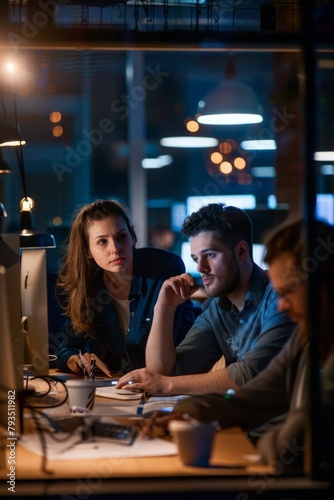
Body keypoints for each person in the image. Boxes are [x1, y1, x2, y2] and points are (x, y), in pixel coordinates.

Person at [141, 218, 334, 470]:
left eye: (287, 292)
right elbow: (249, 399)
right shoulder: (306, 333)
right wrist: (191, 413)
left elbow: (284, 446)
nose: (283, 304)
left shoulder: (292, 318)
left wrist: (169, 388)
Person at [116, 203, 295, 395]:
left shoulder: (282, 297)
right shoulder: (216, 308)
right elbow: (166, 372)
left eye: (209, 255)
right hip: (244, 414)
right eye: (195, 259)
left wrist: (165, 385)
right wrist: (164, 307)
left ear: (241, 251)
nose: (200, 267)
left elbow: (252, 374)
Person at [55, 199, 195, 376]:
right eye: (102, 241)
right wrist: (75, 359)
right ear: (88, 251)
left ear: (132, 237)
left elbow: (165, 357)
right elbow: (65, 348)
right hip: (131, 386)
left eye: (121, 237)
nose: (115, 248)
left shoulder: (165, 268)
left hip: (178, 379)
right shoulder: (93, 287)